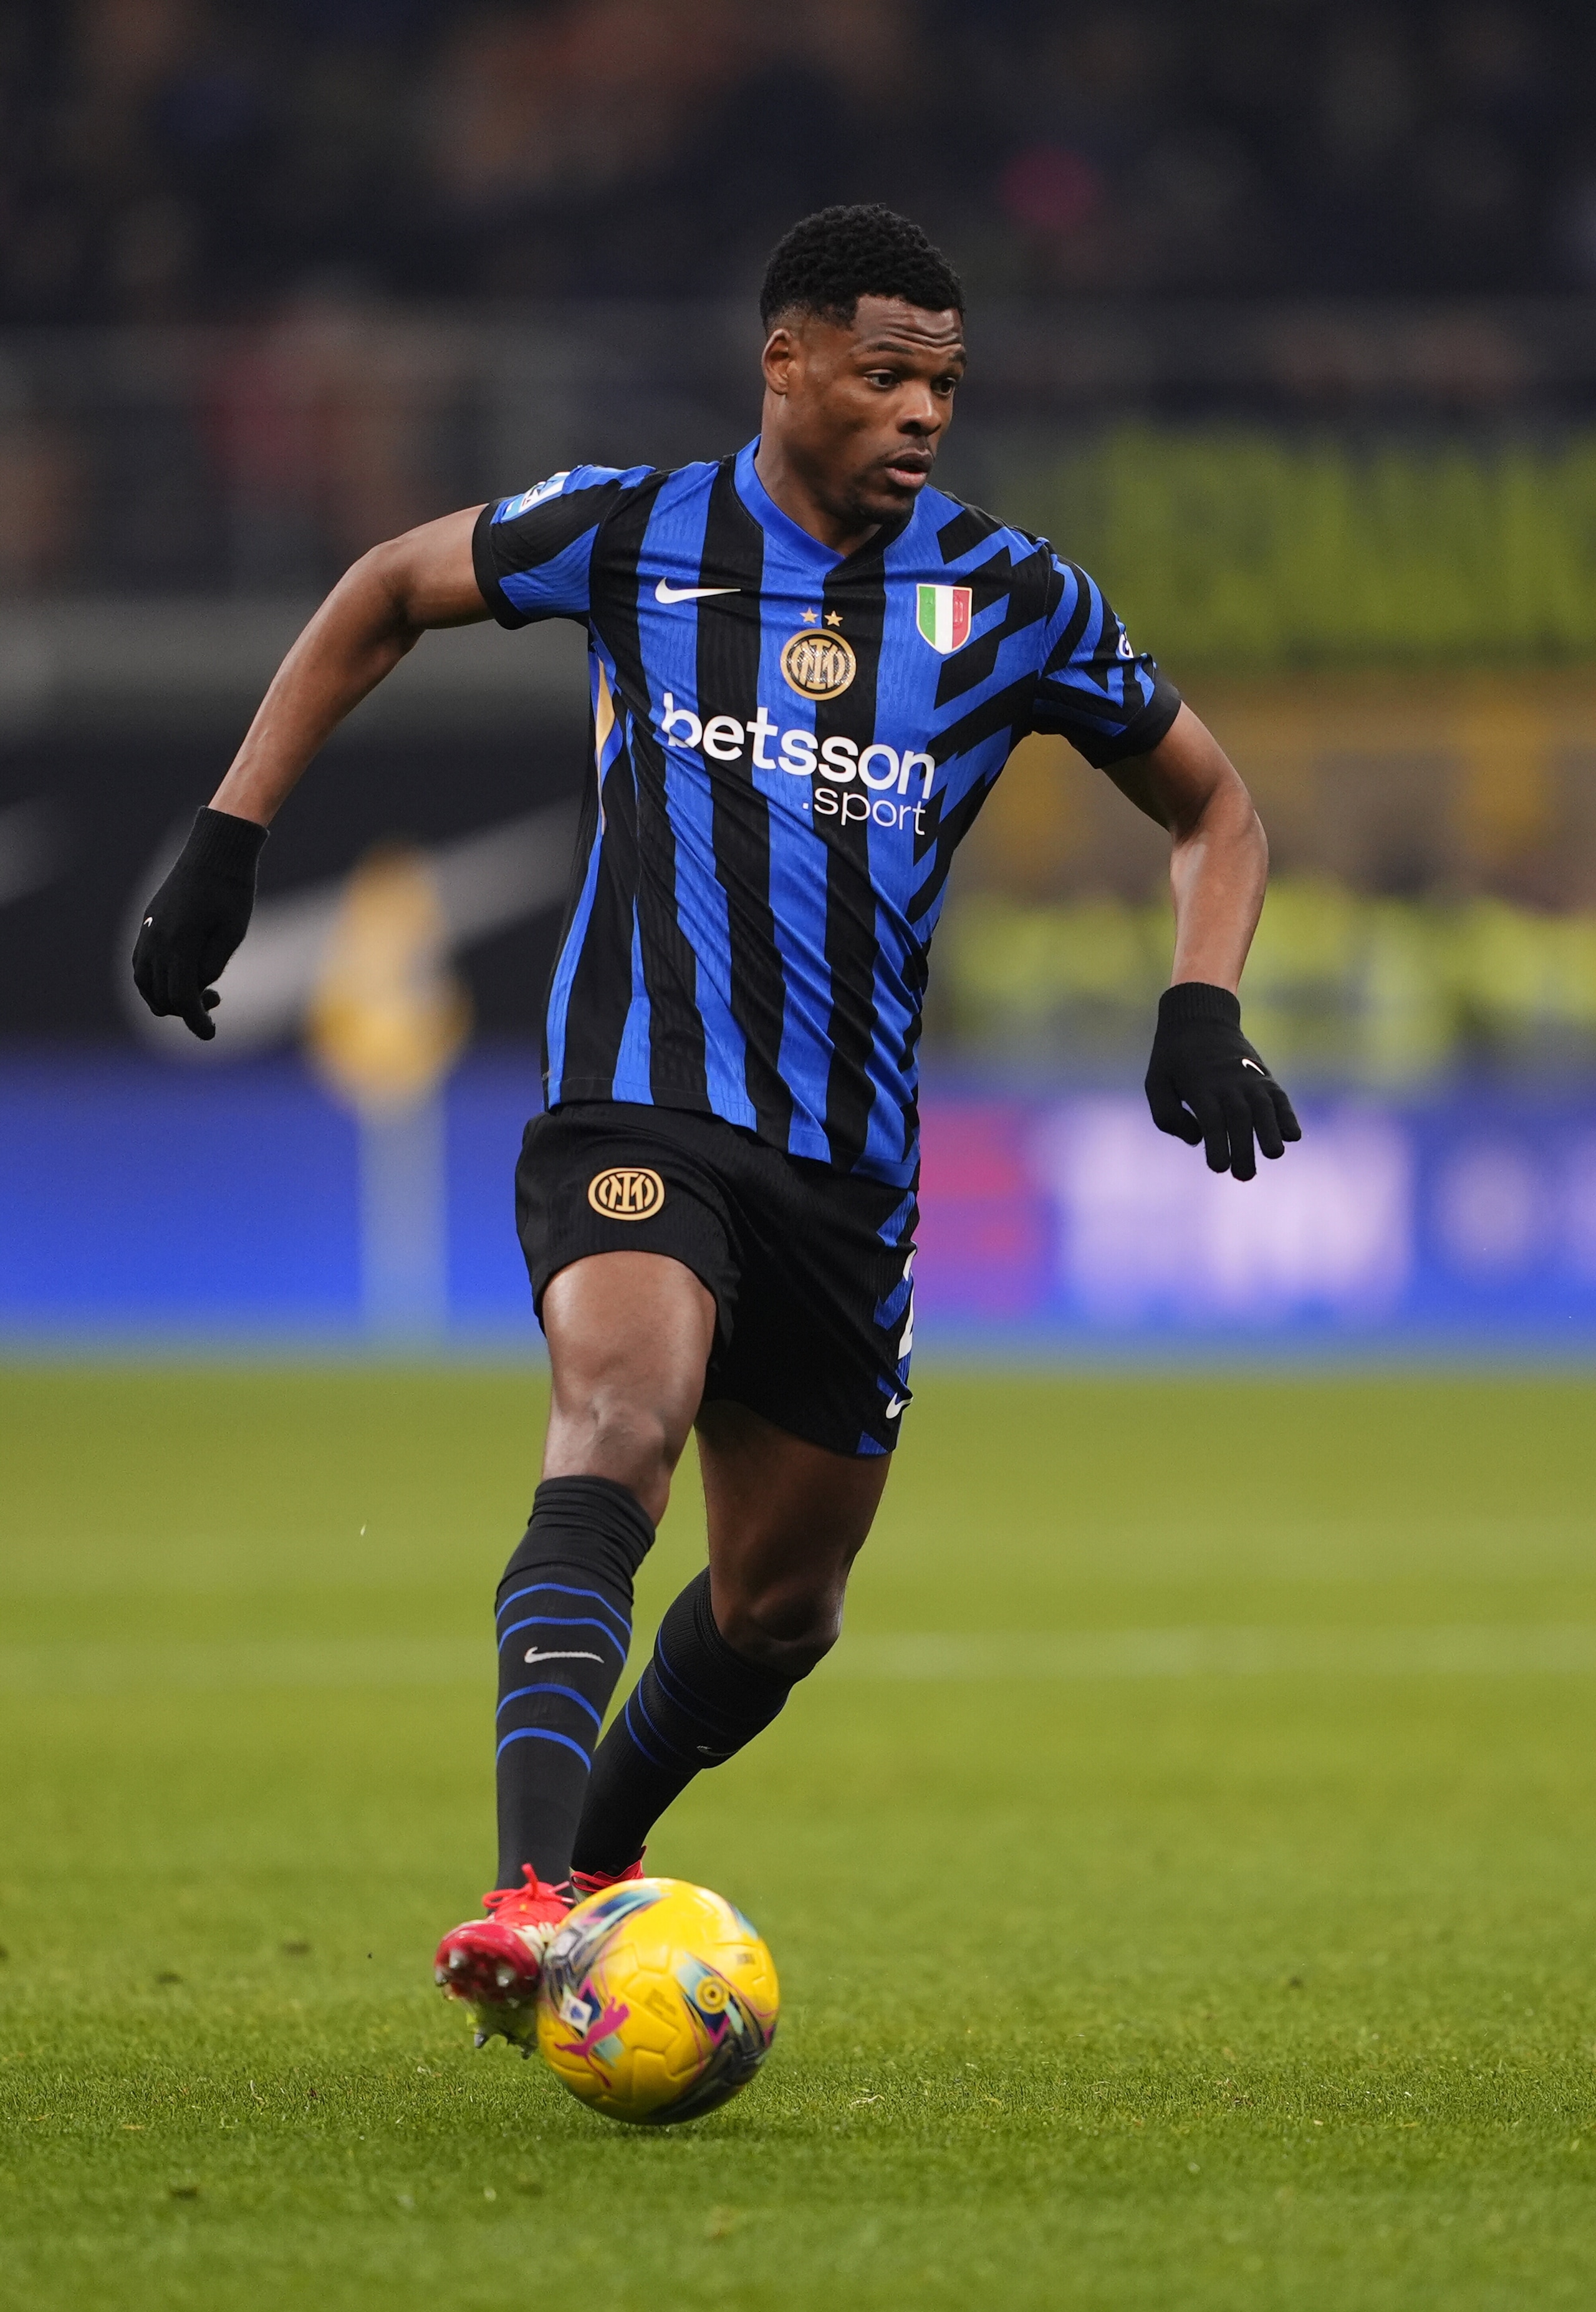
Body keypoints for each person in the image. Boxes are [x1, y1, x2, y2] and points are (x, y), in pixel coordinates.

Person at [132, 204, 1300, 2053]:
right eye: (887, 375)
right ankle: (529, 1898)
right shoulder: (634, 531)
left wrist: (1201, 1003)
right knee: (622, 1414)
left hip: (848, 1174)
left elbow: (1216, 808)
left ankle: (595, 1862)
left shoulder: (1013, 598)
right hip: (641, 1102)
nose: (924, 414)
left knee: (778, 1609)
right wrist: (229, 839)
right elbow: (383, 590)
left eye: (946, 385)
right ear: (787, 361)